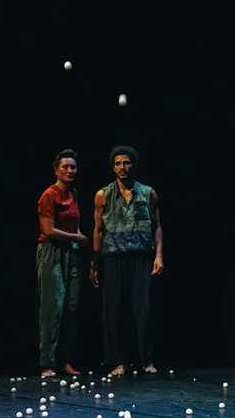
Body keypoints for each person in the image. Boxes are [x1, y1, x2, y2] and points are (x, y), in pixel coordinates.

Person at [91, 145, 164, 375]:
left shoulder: (148, 193)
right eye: (118, 163)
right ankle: (118, 362)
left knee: (143, 309)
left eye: (126, 163)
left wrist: (159, 256)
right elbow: (98, 230)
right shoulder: (103, 195)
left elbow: (157, 226)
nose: (122, 167)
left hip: (141, 258)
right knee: (114, 311)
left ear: (134, 165)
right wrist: (94, 263)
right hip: (114, 258)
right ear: (113, 167)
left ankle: (146, 360)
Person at [36, 149, 87, 378]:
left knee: (72, 307)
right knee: (52, 307)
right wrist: (77, 238)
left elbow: (73, 224)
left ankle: (66, 360)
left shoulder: (73, 193)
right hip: (52, 252)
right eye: (65, 167)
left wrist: (79, 240)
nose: (69, 170)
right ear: (56, 170)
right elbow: (48, 230)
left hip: (71, 253)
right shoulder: (49, 195)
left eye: (73, 167)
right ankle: (47, 362)